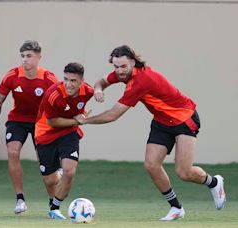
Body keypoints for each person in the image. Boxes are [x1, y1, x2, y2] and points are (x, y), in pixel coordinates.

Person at [74, 45, 226, 221]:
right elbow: (102, 81)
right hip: (162, 121)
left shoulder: (141, 81)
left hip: (184, 118)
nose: (119, 71)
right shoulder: (123, 73)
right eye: (115, 67)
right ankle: (176, 208)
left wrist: (85, 120)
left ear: (133, 62)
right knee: (151, 165)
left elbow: (112, 115)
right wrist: (99, 90)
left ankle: (214, 183)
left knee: (184, 172)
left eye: (123, 66)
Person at [0, 40, 59, 214]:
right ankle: (20, 199)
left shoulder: (49, 78)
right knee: (13, 152)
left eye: (29, 56)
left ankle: (53, 202)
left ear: (39, 57)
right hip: (17, 120)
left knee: (44, 163)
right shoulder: (12, 76)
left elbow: (60, 102)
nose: (25, 60)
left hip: (41, 123)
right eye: (22, 56)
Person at [35, 62, 94, 220]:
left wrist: (101, 92)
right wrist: (77, 120)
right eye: (66, 79)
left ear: (81, 81)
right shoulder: (53, 95)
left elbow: (100, 85)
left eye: (73, 81)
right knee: (50, 181)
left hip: (69, 133)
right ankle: (58, 179)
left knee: (69, 171)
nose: (68, 84)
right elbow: (52, 122)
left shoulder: (87, 91)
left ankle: (54, 208)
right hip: (45, 134)